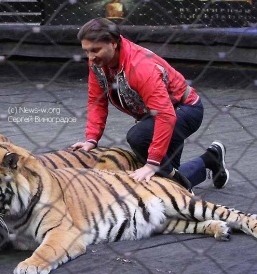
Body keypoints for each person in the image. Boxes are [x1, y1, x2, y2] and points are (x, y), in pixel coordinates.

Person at [71, 18, 229, 190]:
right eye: (86, 51)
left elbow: (165, 114)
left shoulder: (140, 66)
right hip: (157, 116)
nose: (91, 57)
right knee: (165, 177)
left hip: (185, 111)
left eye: (95, 50)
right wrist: (92, 138)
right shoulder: (97, 62)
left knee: (139, 137)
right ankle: (211, 159)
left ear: (113, 43)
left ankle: (181, 186)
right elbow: (97, 100)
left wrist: (152, 163)